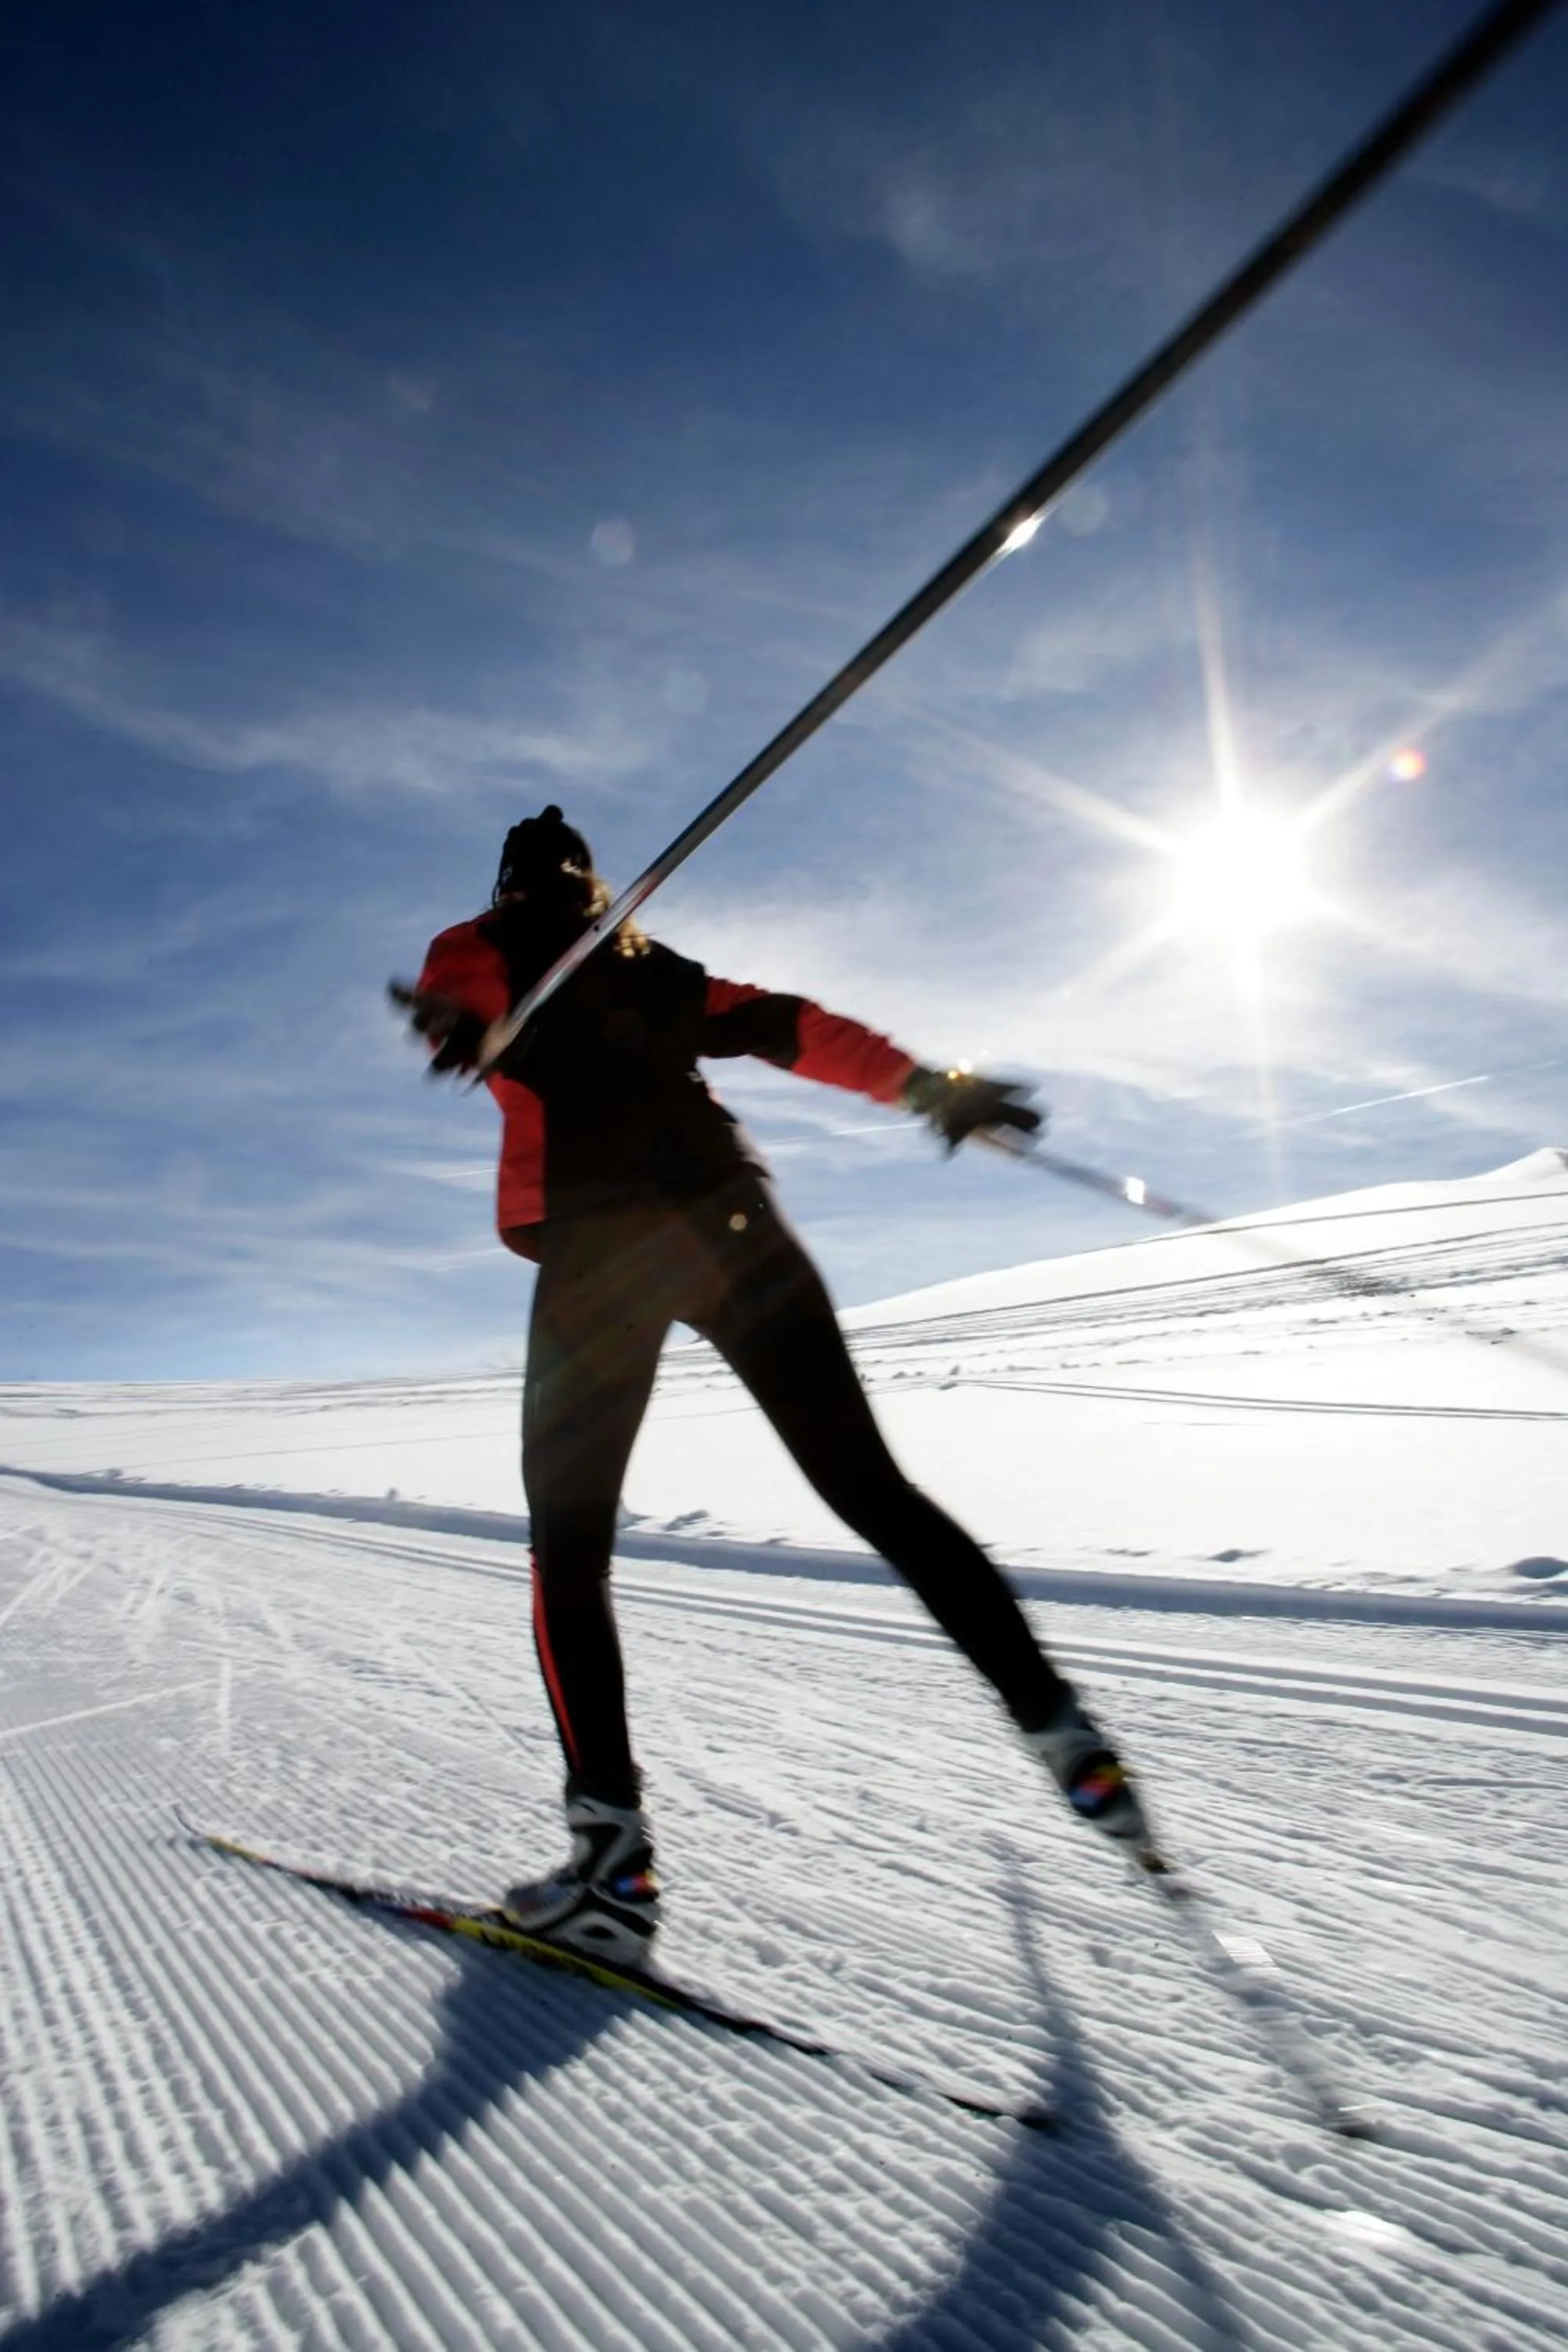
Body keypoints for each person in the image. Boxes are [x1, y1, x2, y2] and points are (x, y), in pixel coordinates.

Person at [398, 805, 1152, 1963]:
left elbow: (470, 990)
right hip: (734, 1224)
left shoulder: (496, 943)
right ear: (589, 884)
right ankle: (1063, 1732)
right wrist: (926, 1086)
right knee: (871, 1490)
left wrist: (464, 1019)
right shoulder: (649, 967)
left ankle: (611, 1865)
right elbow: (792, 1029)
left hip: (609, 1249)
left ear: (510, 885)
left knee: (570, 1548)